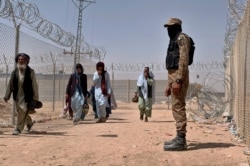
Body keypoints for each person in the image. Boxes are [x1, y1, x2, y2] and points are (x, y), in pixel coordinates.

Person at [163, 18, 190, 151]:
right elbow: (172, 66)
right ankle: (179, 137)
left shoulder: (181, 38)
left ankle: (181, 140)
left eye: (171, 27)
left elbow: (183, 61)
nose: (168, 30)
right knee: (176, 107)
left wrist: (178, 80)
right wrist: (169, 84)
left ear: (177, 27)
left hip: (180, 78)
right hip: (174, 78)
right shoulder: (173, 40)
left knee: (179, 107)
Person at [3, 53, 40, 135]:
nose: (21, 61)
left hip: (27, 96)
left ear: (27, 61)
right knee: (20, 111)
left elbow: (35, 85)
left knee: (21, 111)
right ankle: (29, 122)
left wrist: (35, 98)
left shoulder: (30, 72)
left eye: (23, 60)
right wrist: (7, 96)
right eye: (19, 60)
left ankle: (18, 129)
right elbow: (10, 84)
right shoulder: (14, 72)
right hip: (17, 96)